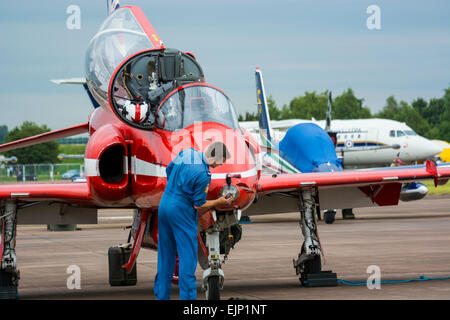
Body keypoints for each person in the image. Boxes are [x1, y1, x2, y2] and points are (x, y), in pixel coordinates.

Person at [154, 141, 233, 300]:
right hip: (182, 213)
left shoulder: (187, 153)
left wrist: (176, 188)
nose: (219, 165)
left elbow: (169, 170)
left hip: (164, 206)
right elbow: (199, 205)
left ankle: (161, 297)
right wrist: (220, 202)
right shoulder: (203, 175)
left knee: (165, 258)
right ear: (214, 157)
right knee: (187, 260)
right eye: (221, 161)